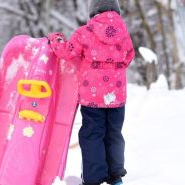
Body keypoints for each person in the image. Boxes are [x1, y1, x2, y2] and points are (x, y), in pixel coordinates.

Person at [48, 0, 135, 184]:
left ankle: (94, 178)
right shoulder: (123, 32)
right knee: (113, 133)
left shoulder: (85, 32)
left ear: (93, 10)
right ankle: (115, 175)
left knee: (92, 135)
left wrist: (55, 38)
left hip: (92, 96)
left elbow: (66, 52)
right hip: (116, 96)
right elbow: (129, 56)